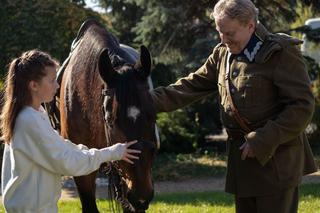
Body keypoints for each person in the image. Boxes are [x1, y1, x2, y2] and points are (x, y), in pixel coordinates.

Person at [150, 0, 317, 212]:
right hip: (243, 167)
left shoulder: (280, 52)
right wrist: (145, 101)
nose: (224, 39)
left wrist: (261, 140)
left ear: (250, 26)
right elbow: (191, 86)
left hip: (277, 164)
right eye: (220, 32)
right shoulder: (223, 54)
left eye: (229, 33)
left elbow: (302, 107)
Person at [0, 49, 141, 213]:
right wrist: (111, 153)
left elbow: (61, 146)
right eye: (52, 81)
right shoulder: (29, 120)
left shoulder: (36, 113)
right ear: (34, 85)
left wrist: (98, 152)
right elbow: (66, 162)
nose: (57, 85)